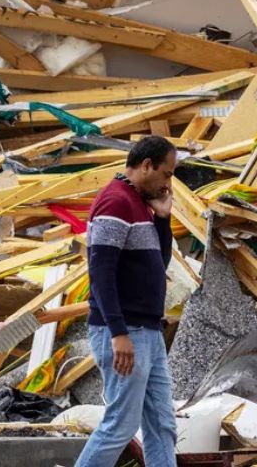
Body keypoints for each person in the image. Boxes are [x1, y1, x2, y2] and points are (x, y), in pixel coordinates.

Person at [74, 135, 178, 467]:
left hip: (147, 331)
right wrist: (118, 333)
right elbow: (100, 273)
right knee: (121, 425)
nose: (168, 183)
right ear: (147, 165)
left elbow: (160, 262)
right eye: (166, 174)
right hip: (125, 331)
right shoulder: (115, 202)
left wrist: (162, 218)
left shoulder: (139, 205)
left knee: (162, 424)